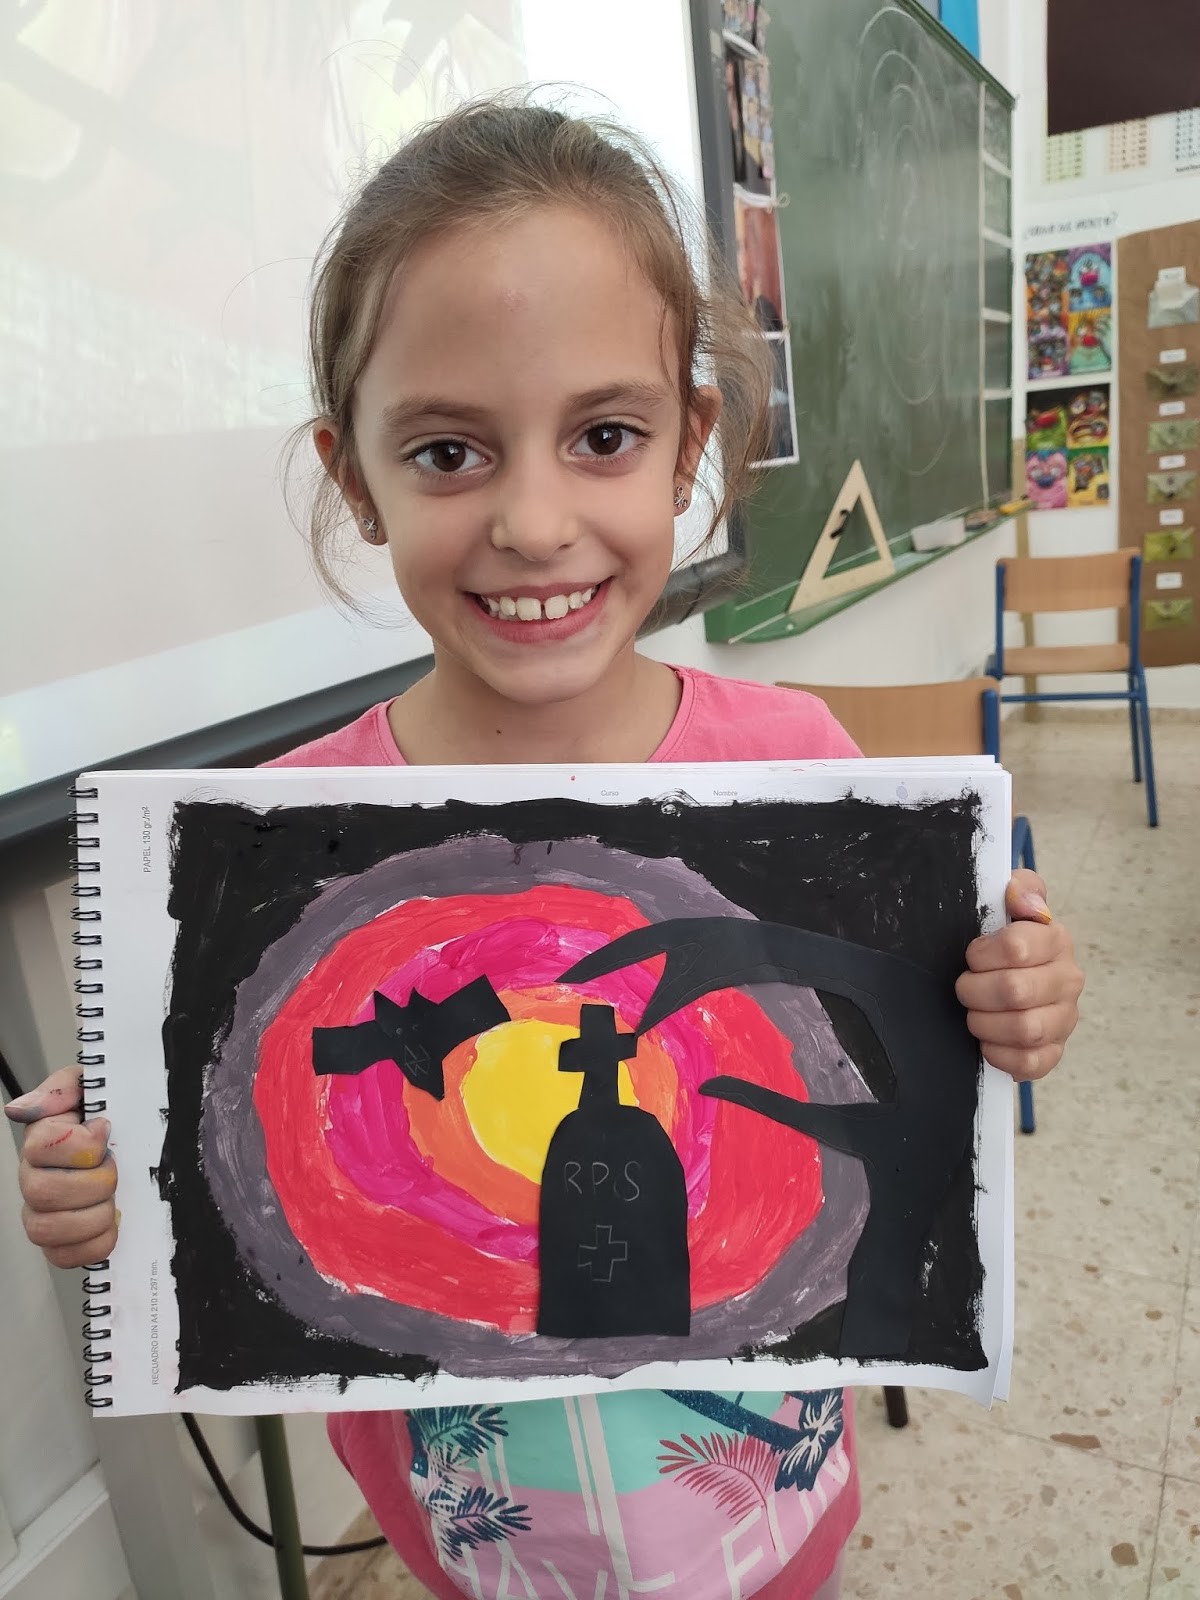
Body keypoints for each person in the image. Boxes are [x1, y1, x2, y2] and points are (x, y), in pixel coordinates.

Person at [9, 98, 1084, 1600]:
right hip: (475, 1556)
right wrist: (108, 1171)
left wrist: (1017, 1003)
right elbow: (189, 1169)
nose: (532, 520)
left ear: (689, 445)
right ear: (354, 477)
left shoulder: (805, 769)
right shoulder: (271, 848)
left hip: (773, 1531)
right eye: (449, 450)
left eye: (604, 437)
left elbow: (929, 1054)